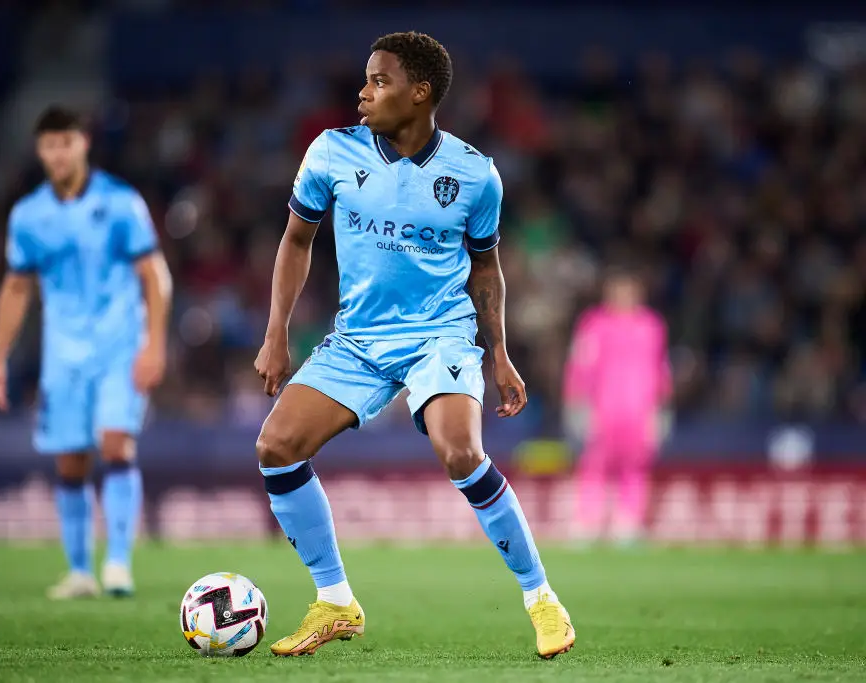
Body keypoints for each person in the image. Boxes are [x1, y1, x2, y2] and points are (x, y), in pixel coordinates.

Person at [254, 32, 575, 658]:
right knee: (276, 447)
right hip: (357, 336)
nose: (363, 92)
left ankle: (542, 600)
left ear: (419, 92)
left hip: (440, 334)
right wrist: (276, 334)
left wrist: (499, 353)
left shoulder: (475, 174)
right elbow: (296, 241)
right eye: (366, 80)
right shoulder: (330, 152)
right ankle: (336, 601)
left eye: (379, 81)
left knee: (461, 452)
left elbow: (486, 269)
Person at [0, 105, 171, 599]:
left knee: (114, 444)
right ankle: (79, 571)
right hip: (62, 354)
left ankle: (117, 565)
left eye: (65, 142)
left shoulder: (121, 202)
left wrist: (154, 344)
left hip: (118, 344)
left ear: (83, 143)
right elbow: (17, 288)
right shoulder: (28, 215)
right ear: (39, 150)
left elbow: (155, 276)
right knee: (69, 461)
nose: (58, 153)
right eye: (48, 145)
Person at [564, 267, 673, 545]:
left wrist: (662, 407)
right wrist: (577, 402)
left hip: (640, 409)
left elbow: (660, 367)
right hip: (603, 407)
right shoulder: (594, 324)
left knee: (636, 465)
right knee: (595, 464)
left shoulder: (652, 325)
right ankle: (588, 521)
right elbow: (581, 364)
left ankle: (628, 521)